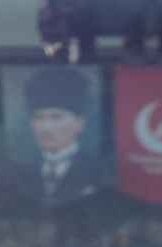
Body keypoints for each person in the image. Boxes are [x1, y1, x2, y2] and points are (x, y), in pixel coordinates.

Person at [12, 67, 103, 207]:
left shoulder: (99, 171)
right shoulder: (20, 174)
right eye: (38, 117)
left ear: (80, 123)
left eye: (56, 117)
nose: (45, 128)